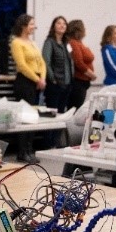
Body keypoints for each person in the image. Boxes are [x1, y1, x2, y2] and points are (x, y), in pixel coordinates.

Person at [10, 13, 46, 163]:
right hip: (25, 82)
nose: (34, 27)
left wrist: (42, 78)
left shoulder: (32, 42)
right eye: (31, 24)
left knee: (34, 116)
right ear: (23, 26)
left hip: (37, 81)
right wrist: (37, 79)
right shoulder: (17, 42)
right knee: (25, 117)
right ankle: (22, 151)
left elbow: (41, 62)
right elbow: (22, 65)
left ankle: (30, 149)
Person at [41, 16, 74, 114]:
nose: (62, 25)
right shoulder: (49, 42)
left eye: (64, 23)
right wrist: (53, 79)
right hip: (55, 84)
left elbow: (70, 62)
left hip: (67, 84)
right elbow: (46, 62)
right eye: (59, 23)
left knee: (62, 113)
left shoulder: (66, 43)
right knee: (53, 113)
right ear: (53, 26)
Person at [66, 19, 96, 109]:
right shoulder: (73, 43)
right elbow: (78, 62)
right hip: (78, 82)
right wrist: (91, 75)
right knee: (75, 108)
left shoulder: (80, 43)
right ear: (79, 30)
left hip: (84, 82)